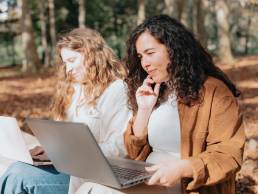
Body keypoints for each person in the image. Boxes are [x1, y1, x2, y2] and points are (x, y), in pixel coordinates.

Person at [72, 15, 245, 194]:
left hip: (186, 186)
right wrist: (144, 111)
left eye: (150, 53)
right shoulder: (157, 90)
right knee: (85, 181)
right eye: (140, 56)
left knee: (95, 191)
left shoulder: (214, 91)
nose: (144, 63)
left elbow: (228, 155)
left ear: (174, 49)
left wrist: (181, 168)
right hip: (147, 180)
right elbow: (133, 153)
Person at [0, 27, 131, 194]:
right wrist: (50, 149)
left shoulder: (117, 90)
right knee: (16, 167)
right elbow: (65, 135)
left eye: (72, 60)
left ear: (91, 55)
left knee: (20, 176)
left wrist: (67, 153)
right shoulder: (75, 90)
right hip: (67, 166)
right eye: (65, 62)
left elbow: (120, 147)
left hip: (93, 173)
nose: (68, 69)